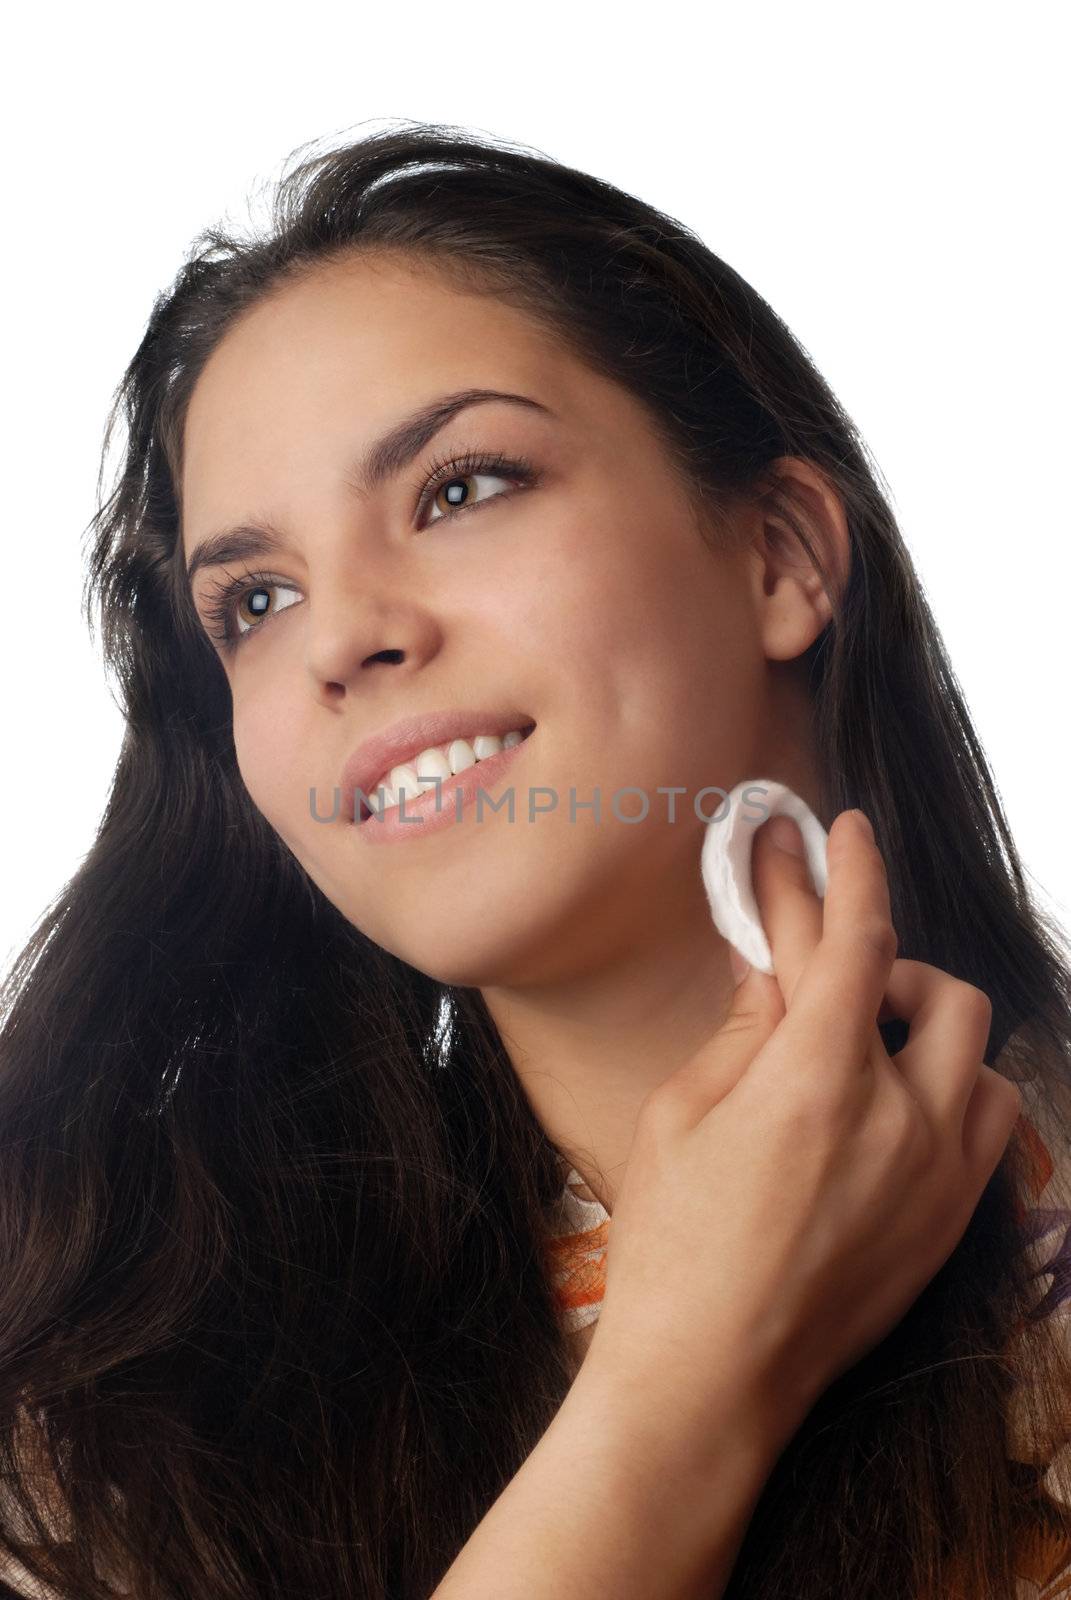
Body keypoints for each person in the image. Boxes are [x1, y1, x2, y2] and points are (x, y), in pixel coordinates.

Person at [1, 119, 1070, 1600]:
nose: (341, 636)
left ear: (778, 556)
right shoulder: (106, 1397)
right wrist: (680, 1390)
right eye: (252, 599)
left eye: (460, 489)